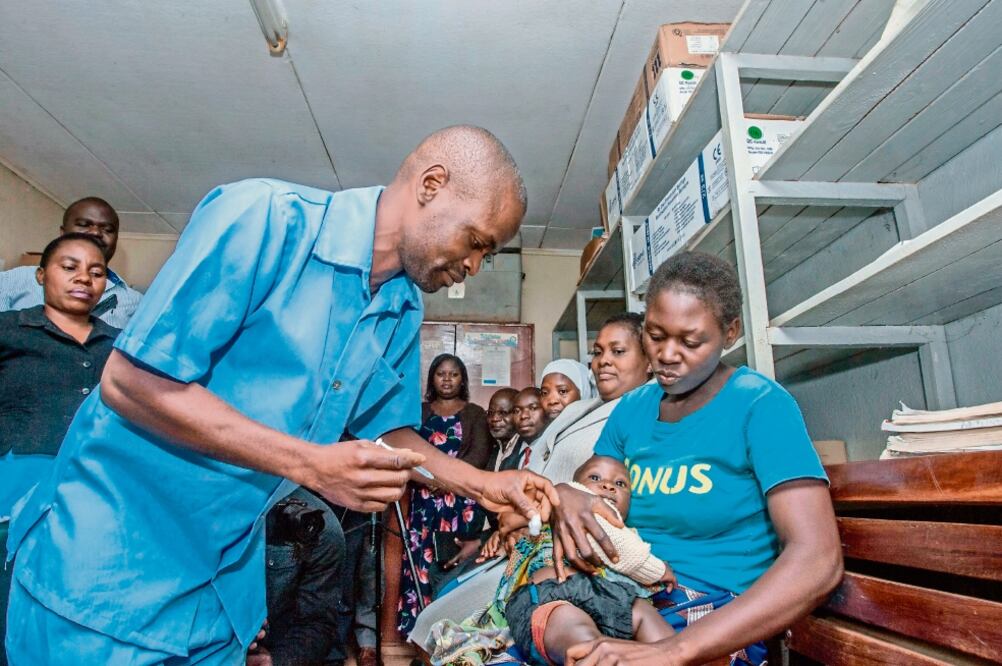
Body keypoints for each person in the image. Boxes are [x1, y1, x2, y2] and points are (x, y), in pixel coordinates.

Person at [4, 125, 559, 665]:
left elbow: (385, 433)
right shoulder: (263, 219)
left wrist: (483, 484)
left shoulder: (402, 306)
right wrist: (311, 463)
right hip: (111, 566)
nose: (474, 266)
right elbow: (130, 381)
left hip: (219, 587)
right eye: (477, 242)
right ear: (431, 185)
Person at [553, 252, 842, 666]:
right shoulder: (631, 409)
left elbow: (818, 559)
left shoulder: (759, 405)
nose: (667, 355)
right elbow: (595, 493)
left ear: (730, 332)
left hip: (717, 618)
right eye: (655, 335)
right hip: (631, 594)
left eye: (690, 341)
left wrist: (674, 650)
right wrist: (566, 495)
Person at [411, 313, 652, 648]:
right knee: (442, 603)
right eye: (598, 352)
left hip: (558, 549)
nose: (604, 361)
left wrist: (527, 520)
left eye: (618, 352)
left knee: (446, 622)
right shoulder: (580, 409)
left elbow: (604, 496)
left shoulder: (639, 411)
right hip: (524, 536)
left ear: (649, 360)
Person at [0, 233, 119, 665]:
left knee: (76, 610)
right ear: (40, 274)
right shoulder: (10, 330)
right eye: (69, 267)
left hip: (99, 492)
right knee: (11, 603)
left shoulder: (123, 346)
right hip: (18, 488)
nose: (83, 278)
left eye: (96, 271)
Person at [465, 457, 675, 665]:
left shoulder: (627, 534)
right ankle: (599, 655)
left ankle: (670, 656)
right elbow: (510, 518)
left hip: (608, 594)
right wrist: (659, 570)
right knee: (573, 628)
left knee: (644, 616)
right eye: (595, 477)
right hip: (553, 591)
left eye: (620, 484)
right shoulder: (558, 514)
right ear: (574, 489)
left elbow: (633, 558)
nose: (608, 485)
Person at [398, 353, 492, 634]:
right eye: (441, 374)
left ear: (462, 379)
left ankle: (454, 633)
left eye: (453, 374)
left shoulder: (475, 413)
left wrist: (447, 480)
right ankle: (420, 632)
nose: (447, 379)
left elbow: (479, 454)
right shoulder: (419, 411)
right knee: (421, 562)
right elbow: (407, 449)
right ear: (432, 379)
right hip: (424, 501)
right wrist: (428, 479)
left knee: (455, 562)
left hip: (460, 503)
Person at [0, 197, 143, 328]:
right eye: (83, 224)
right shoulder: (15, 280)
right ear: (63, 233)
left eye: (107, 229)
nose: (95, 233)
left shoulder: (136, 303)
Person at [254, 487, 344, 666]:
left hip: (275, 647)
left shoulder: (317, 527)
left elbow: (317, 622)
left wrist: (273, 661)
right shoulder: (191, 520)